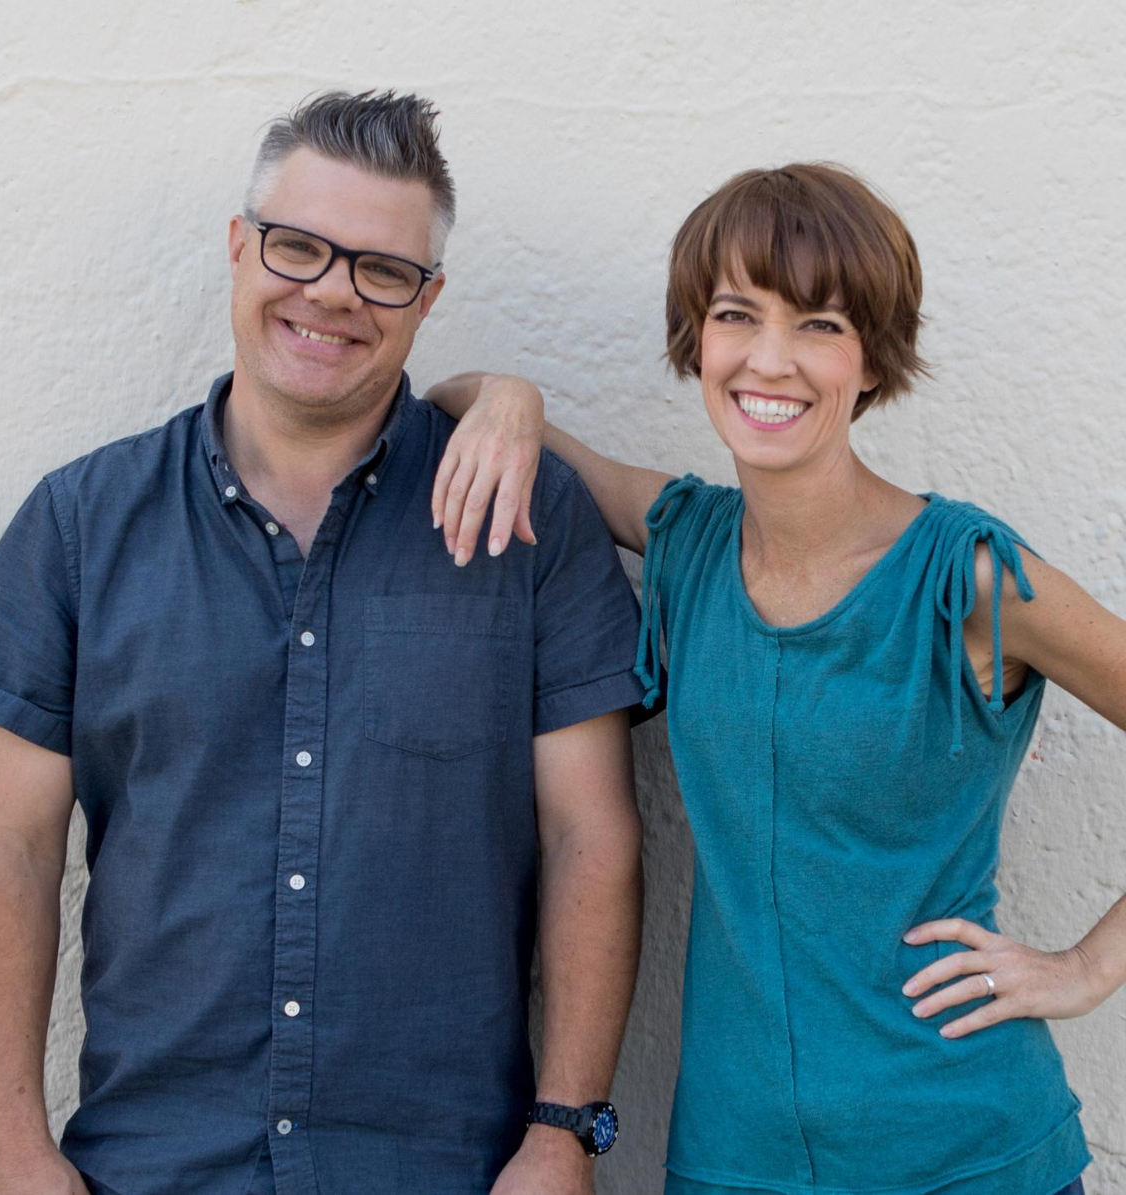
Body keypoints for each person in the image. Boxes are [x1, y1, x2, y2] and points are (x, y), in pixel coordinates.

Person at [0, 90, 648, 1195]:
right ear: (239, 246)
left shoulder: (530, 520)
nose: (330, 291)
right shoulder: (82, 524)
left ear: (426, 300)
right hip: (153, 1167)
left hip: (444, 1168)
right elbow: (5, 851)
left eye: (380, 268)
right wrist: (15, 1152)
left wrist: (561, 1134)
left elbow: (588, 838)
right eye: (298, 246)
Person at [426, 163, 1126, 1195]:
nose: (768, 359)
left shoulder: (968, 579)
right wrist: (511, 397)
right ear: (693, 341)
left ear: (869, 357)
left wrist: (1084, 969)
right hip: (732, 1158)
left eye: (819, 324)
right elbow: (458, 403)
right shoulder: (686, 540)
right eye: (733, 313)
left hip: (966, 1154)